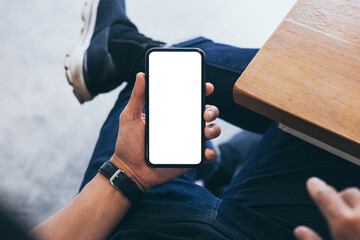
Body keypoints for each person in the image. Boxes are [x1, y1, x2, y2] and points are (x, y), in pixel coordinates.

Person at [25, 0, 360, 239]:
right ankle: (120, 51)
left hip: (145, 223)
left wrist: (126, 172)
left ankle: (122, 52)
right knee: (344, 84)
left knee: (159, 84)